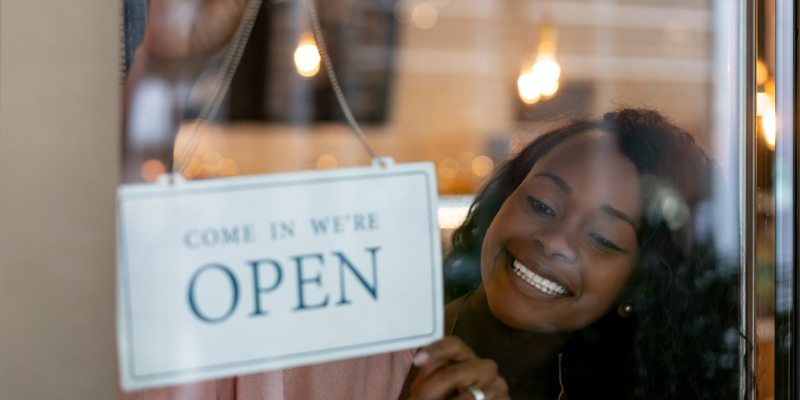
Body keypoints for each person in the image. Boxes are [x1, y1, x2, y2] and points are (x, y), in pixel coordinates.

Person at [122, 1, 744, 399]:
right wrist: (166, 73)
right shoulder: (330, 339)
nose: (553, 240)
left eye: (605, 239)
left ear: (642, 284)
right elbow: (125, 280)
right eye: (544, 204)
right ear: (502, 201)